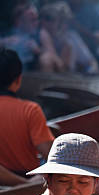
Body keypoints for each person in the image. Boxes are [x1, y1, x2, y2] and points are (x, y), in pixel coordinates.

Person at [0, 47, 54, 186]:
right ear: (18, 79)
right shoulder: (30, 110)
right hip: (29, 179)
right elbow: (52, 156)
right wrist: (25, 183)